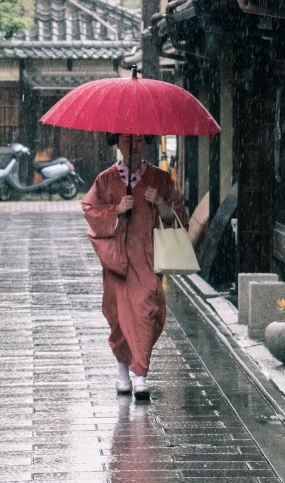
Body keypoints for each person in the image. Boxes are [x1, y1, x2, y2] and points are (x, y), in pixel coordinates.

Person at [81, 132, 188, 401]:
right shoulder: (105, 179)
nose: (134, 146)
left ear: (146, 141)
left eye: (139, 140)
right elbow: (90, 209)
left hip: (147, 258)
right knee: (118, 317)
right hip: (117, 260)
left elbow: (178, 218)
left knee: (146, 312)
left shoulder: (160, 179)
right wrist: (116, 210)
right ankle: (123, 372)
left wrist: (160, 203)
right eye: (127, 140)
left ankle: (141, 374)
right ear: (118, 142)